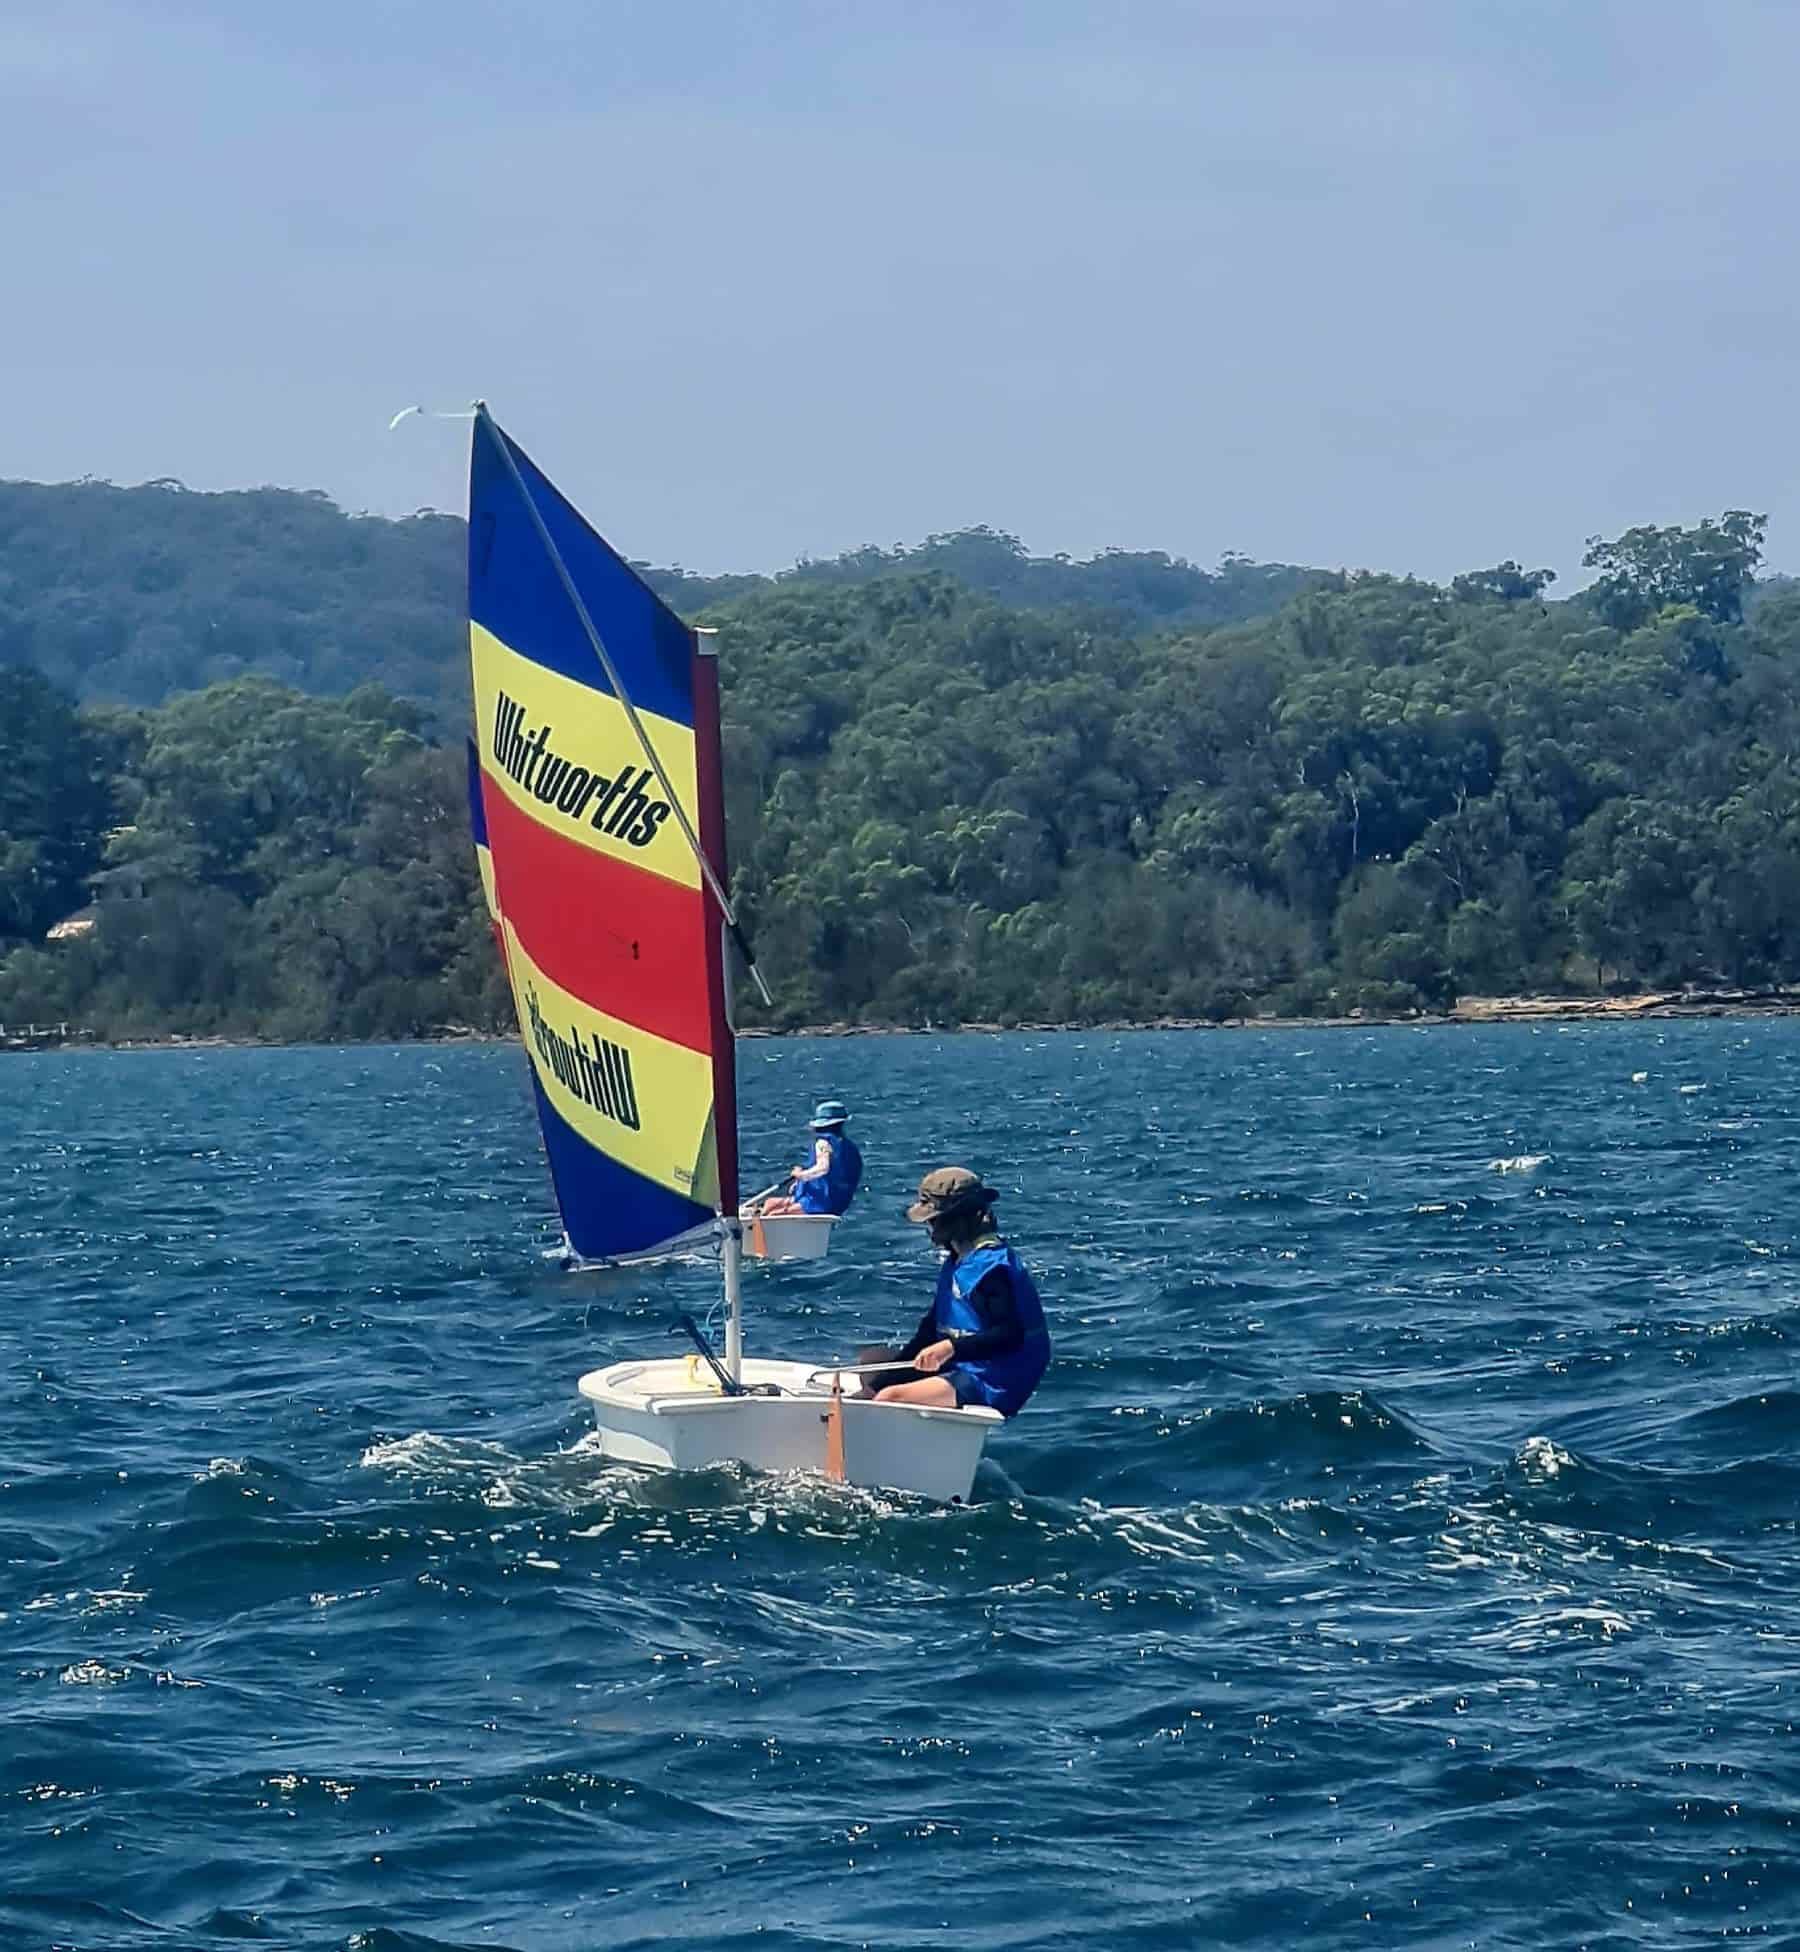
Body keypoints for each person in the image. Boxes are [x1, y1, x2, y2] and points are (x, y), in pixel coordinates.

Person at [859, 1167, 1050, 1417]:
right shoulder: (958, 1259)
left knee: (890, 1398)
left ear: (957, 1218)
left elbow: (1009, 1335)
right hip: (964, 1363)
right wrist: (875, 1386)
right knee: (872, 1363)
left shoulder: (991, 1269)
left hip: (995, 1377)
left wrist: (949, 1349)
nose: (929, 1227)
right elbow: (928, 1333)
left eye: (933, 1219)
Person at [755, 1100, 863, 1217]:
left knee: (774, 1214)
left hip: (821, 1203)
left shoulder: (823, 1143)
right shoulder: (847, 1146)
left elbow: (823, 1168)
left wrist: (801, 1175)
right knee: (770, 1203)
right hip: (832, 1202)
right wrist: (801, 1182)